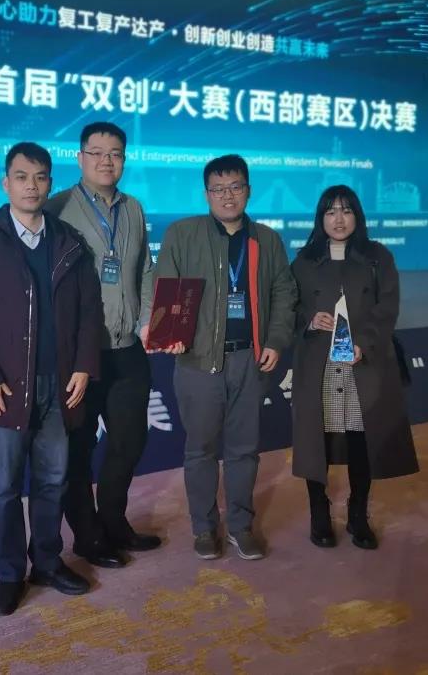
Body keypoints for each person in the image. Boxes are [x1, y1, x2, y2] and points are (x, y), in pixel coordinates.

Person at [0, 142, 103, 616]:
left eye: (40, 177)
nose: (31, 186)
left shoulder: (69, 241)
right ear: (6, 183)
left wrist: (83, 364)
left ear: (50, 183)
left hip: (60, 383)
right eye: (21, 177)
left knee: (54, 480)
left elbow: (89, 312)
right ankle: (10, 574)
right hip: (7, 388)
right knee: (3, 488)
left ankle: (48, 563)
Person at [154, 154, 297, 561]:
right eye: (218, 189)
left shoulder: (267, 240)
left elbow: (284, 292)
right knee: (200, 449)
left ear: (248, 190)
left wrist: (275, 340)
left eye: (235, 187)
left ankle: (239, 525)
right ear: (206, 194)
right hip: (198, 361)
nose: (227, 196)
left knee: (243, 450)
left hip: (249, 361)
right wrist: (169, 335)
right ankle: (203, 528)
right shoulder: (183, 234)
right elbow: (165, 284)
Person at [45, 122, 161, 569]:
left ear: (124, 160)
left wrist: (148, 320)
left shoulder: (133, 208)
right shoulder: (56, 208)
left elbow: (144, 270)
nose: (106, 161)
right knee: (78, 449)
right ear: (80, 158)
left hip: (128, 347)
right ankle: (87, 536)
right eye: (96, 152)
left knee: (129, 442)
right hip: (80, 355)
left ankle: (113, 522)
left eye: (115, 153)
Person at [290, 185, 419, 550]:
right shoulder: (303, 261)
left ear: (357, 216)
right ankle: (319, 513)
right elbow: (287, 307)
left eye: (346, 211)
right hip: (320, 365)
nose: (339, 219)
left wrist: (364, 342)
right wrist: (309, 320)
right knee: (317, 443)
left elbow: (387, 307)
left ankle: (358, 514)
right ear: (320, 218)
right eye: (331, 211)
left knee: (362, 441)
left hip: (363, 362)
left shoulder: (378, 257)